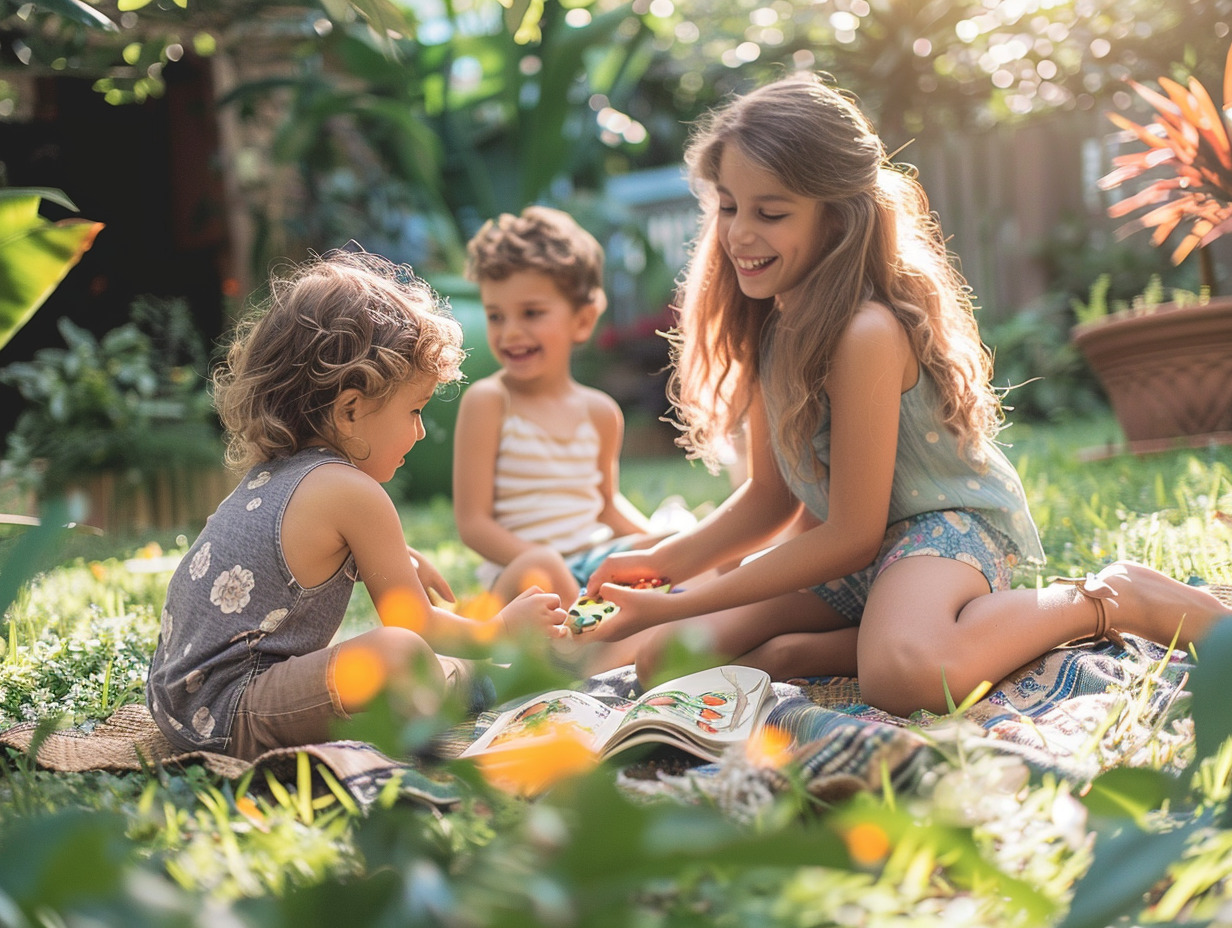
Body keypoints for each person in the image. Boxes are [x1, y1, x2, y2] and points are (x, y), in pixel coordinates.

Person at [583, 73, 1228, 716]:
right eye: (728, 207)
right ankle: (823, 648)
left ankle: (1115, 595)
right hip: (851, 555)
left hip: (942, 531)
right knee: (668, 657)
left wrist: (681, 601)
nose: (740, 235)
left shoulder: (866, 332)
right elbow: (768, 500)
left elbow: (853, 535)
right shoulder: (768, 326)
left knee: (907, 676)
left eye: (770, 213)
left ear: (837, 215)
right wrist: (662, 563)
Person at [146, 250, 568, 760]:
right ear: (349, 410)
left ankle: (460, 681)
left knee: (401, 658)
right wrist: (499, 630)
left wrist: (400, 557)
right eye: (413, 410)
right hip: (229, 712)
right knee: (401, 652)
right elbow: (413, 622)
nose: (419, 430)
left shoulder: (282, 473)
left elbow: (306, 548)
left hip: (180, 704)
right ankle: (478, 684)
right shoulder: (354, 492)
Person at [453, 205, 666, 611]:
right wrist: (556, 571)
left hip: (594, 563)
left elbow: (606, 504)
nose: (510, 332)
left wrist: (657, 545)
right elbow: (473, 525)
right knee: (545, 565)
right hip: (525, 577)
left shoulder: (600, 412)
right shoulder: (489, 402)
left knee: (679, 549)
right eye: (495, 316)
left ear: (582, 321)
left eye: (531, 313)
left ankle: (604, 631)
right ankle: (589, 640)